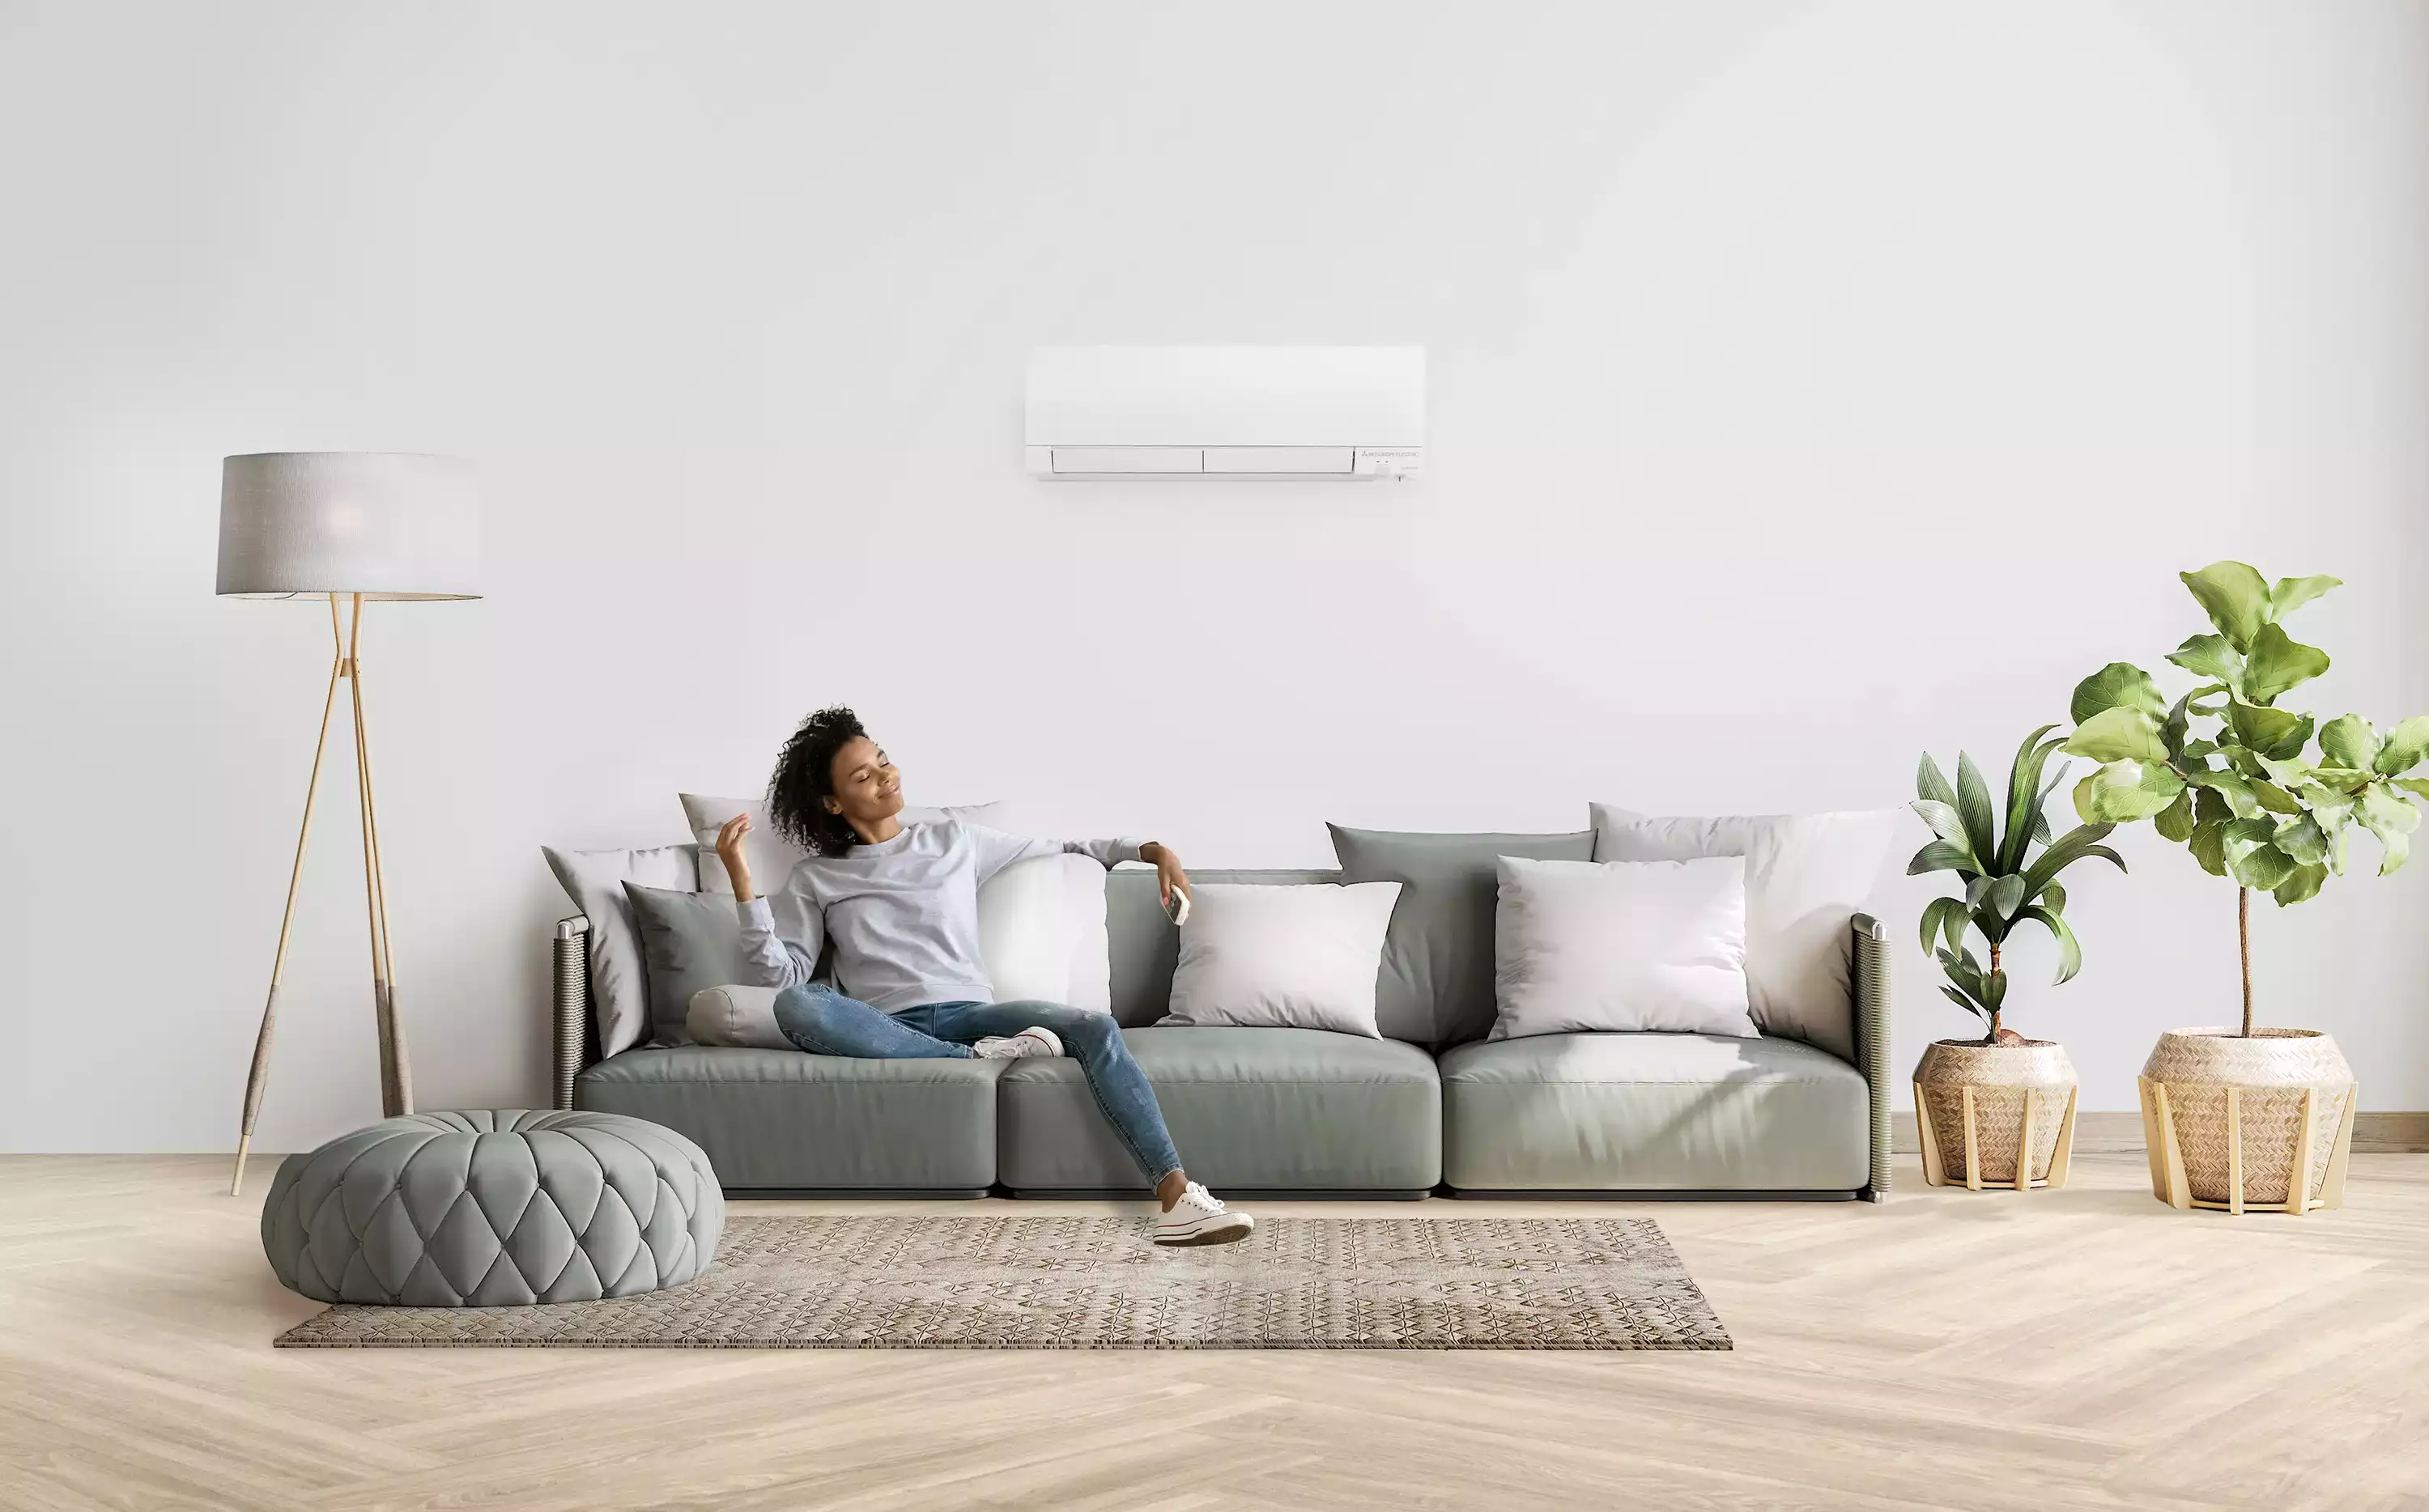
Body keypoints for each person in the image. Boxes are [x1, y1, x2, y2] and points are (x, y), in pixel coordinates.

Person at [717, 705, 1253, 1247]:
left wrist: (1157, 852)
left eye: (882, 761)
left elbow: (1071, 848)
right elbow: (783, 977)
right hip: (885, 1026)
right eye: (863, 776)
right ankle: (975, 1060)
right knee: (798, 1006)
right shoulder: (817, 878)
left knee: (1095, 1027)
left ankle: (1176, 1196)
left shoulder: (955, 840)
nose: (885, 777)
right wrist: (741, 878)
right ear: (834, 803)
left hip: (973, 1014)